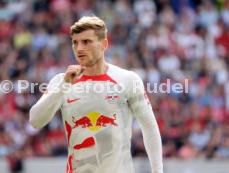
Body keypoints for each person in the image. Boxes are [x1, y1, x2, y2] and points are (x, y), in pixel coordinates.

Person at [29, 16, 163, 173]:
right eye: (75, 42)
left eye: (86, 42)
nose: (79, 48)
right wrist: (63, 86)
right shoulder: (61, 81)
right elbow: (35, 121)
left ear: (104, 44)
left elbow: (149, 126)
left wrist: (157, 171)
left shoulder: (127, 80)